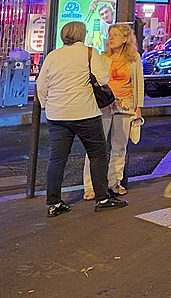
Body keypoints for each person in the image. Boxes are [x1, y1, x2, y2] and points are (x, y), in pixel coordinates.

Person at [35, 21, 127, 217]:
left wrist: (47, 106)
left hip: (56, 115)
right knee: (97, 154)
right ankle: (102, 198)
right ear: (82, 35)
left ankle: (54, 202)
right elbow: (102, 79)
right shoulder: (89, 53)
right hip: (85, 113)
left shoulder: (53, 55)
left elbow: (41, 85)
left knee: (57, 158)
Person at [82, 23, 144, 200]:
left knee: (119, 147)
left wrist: (138, 107)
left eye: (115, 35)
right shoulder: (102, 57)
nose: (111, 38)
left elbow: (138, 82)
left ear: (125, 39)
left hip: (125, 105)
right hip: (104, 106)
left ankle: (114, 182)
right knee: (96, 148)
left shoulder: (134, 58)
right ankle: (90, 186)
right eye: (110, 35)